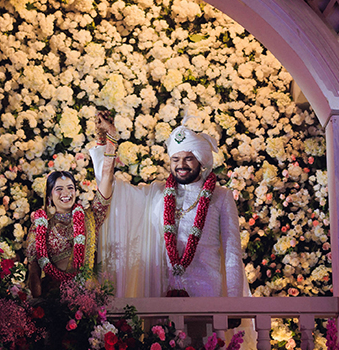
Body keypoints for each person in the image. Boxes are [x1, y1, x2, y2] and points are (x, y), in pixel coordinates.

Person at [90, 112, 248, 300]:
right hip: (159, 294)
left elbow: (232, 254)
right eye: (175, 159)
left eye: (188, 158)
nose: (181, 164)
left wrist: (234, 303)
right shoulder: (157, 194)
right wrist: (108, 140)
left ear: (200, 160)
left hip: (206, 296)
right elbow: (114, 191)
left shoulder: (221, 196)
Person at [25, 160, 114, 297]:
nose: (66, 193)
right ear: (49, 196)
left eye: (70, 188)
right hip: (53, 299)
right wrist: (38, 308)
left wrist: (110, 148)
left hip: (86, 295)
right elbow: (34, 271)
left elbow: (107, 179)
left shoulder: (90, 218)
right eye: (59, 189)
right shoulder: (39, 226)